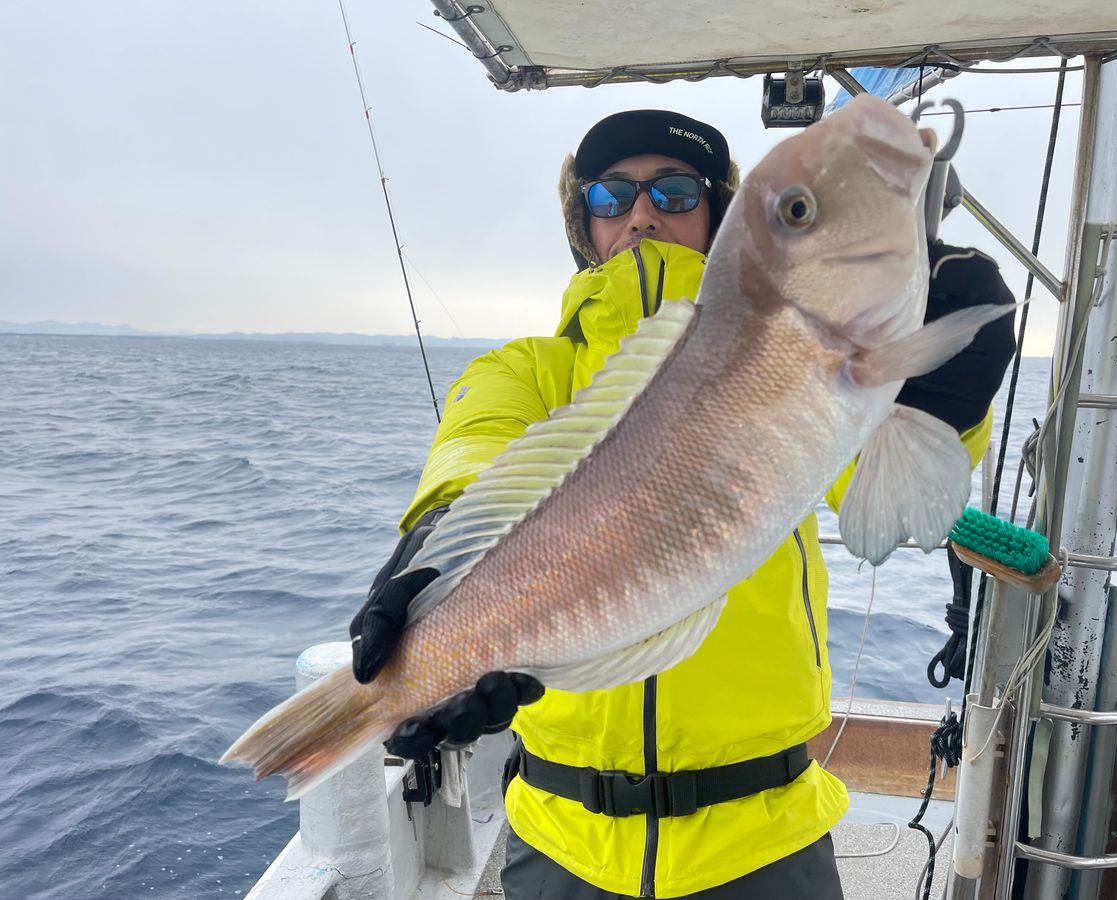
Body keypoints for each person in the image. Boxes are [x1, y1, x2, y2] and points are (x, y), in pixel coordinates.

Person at [349, 109, 1016, 899]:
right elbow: (474, 454)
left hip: (765, 832)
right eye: (610, 196)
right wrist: (437, 537)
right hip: (560, 838)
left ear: (718, 213)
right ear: (585, 223)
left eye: (673, 191)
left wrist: (944, 402)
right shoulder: (523, 370)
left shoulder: (801, 348)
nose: (641, 214)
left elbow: (885, 494)